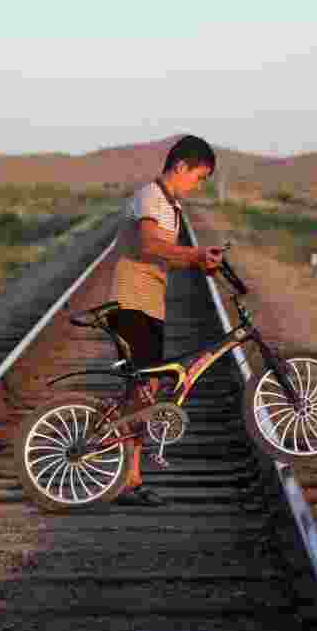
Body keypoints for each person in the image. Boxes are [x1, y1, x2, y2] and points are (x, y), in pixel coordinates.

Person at [106, 135, 223, 506]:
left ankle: (131, 477)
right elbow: (150, 245)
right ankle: (127, 478)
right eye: (199, 177)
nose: (199, 185)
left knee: (146, 391)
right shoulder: (151, 197)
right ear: (181, 167)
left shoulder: (169, 205)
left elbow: (166, 255)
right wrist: (194, 253)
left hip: (148, 305)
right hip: (132, 304)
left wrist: (198, 262)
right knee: (142, 392)